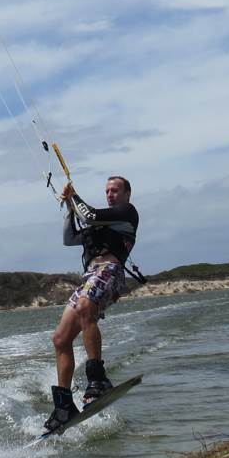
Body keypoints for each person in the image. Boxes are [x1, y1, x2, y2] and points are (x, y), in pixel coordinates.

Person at [44, 175, 140, 432]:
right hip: (89, 277)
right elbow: (69, 238)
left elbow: (91, 216)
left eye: (115, 191)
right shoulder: (96, 225)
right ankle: (64, 406)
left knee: (86, 306)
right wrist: (69, 207)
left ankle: (98, 380)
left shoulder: (127, 213)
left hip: (110, 271)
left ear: (127, 194)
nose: (110, 195)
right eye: (107, 191)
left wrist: (74, 196)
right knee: (60, 338)